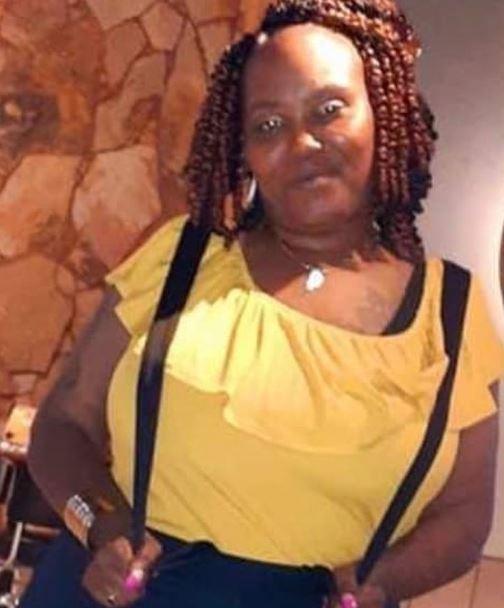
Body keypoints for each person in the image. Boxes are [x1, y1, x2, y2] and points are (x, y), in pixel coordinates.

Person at [20, 1, 504, 607]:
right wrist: (100, 522)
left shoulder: (450, 314)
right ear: (242, 149)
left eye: (329, 109)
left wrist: (383, 583)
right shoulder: (182, 261)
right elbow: (62, 424)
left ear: (382, 113)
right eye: (269, 125)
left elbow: (464, 516)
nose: (302, 143)